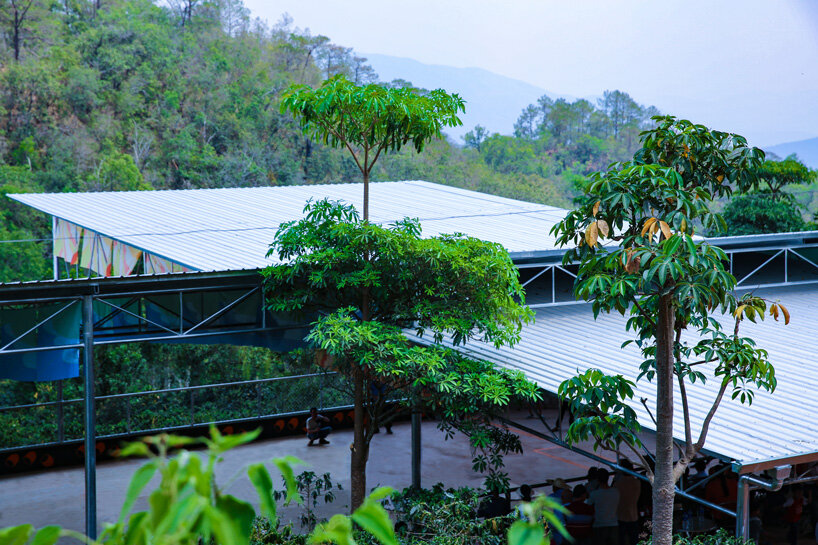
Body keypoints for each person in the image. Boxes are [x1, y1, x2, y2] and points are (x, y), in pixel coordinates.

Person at [587, 467, 620, 545]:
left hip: (599, 525)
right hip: (613, 525)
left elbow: (588, 504)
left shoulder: (594, 494)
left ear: (597, 480)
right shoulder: (615, 492)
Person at [615, 460, 641, 545]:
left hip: (621, 516)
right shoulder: (637, 482)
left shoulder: (618, 484)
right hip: (633, 516)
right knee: (633, 541)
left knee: (621, 541)